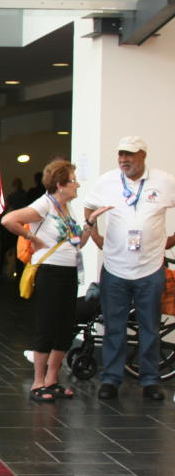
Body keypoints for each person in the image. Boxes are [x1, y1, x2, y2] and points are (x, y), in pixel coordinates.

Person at [1, 160, 110, 402]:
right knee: (47, 326)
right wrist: (32, 237)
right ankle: (38, 382)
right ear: (60, 185)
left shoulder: (66, 209)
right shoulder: (44, 205)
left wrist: (91, 222)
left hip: (68, 272)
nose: (77, 184)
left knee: (64, 327)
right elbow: (8, 220)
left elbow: (78, 243)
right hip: (50, 273)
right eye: (73, 180)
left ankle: (52, 379)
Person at [83, 136, 175, 401]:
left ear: (143, 156)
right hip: (115, 269)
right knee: (114, 326)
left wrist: (171, 240)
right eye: (121, 155)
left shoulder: (163, 181)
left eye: (130, 155)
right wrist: (97, 236)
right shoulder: (107, 181)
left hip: (150, 269)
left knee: (150, 327)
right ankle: (111, 379)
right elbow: (89, 205)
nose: (124, 159)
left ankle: (150, 381)